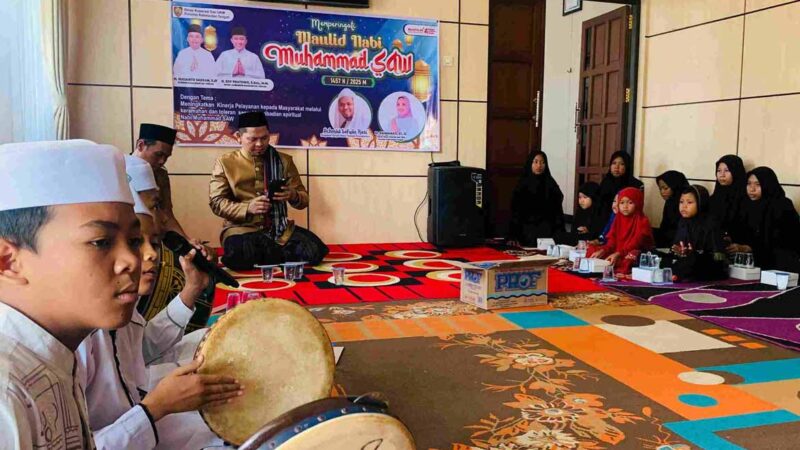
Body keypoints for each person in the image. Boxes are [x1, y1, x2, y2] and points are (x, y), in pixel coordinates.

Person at [77, 164, 238, 449]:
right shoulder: (73, 335)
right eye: (104, 242)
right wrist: (155, 408)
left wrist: (191, 290)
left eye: (144, 242)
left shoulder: (120, 297)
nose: (149, 255)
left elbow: (141, 350)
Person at [0, 140, 138, 448]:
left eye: (134, 239)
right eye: (101, 241)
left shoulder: (56, 356)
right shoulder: (5, 396)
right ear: (9, 262)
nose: (132, 260)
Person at [210, 111, 328, 270]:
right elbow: (216, 203)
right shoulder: (225, 163)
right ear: (238, 137)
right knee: (240, 252)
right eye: (252, 139)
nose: (259, 144)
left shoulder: (283, 161)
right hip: (241, 229)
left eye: (264, 138)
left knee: (315, 250)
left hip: (280, 230)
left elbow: (304, 199)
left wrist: (292, 195)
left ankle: (267, 254)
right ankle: (274, 255)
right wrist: (247, 208)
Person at [131, 132, 213, 334]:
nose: (162, 161)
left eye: (166, 157)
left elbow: (166, 216)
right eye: (159, 155)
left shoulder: (161, 175)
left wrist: (188, 241)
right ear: (141, 145)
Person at [727, 167, 800, 273]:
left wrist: (749, 248)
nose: (752, 189)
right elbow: (739, 231)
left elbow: (784, 241)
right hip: (748, 266)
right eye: (749, 184)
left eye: (758, 184)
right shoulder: (743, 204)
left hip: (778, 267)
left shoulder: (782, 205)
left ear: (768, 184)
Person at [660, 185, 728, 281]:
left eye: (689, 202)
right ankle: (677, 273)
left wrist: (692, 253)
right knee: (656, 256)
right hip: (686, 261)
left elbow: (717, 257)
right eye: (681, 202)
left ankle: (677, 274)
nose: (684, 206)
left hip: (707, 264)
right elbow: (678, 249)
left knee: (693, 261)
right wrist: (680, 252)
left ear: (701, 203)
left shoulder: (711, 223)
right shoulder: (683, 222)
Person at [588, 187, 655, 274]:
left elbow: (636, 244)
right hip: (618, 252)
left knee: (631, 257)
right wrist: (603, 250)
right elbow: (611, 240)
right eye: (622, 203)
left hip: (635, 252)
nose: (625, 206)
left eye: (630, 202)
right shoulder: (617, 219)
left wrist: (618, 253)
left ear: (638, 203)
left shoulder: (643, 221)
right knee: (593, 250)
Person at [507, 151, 565, 247]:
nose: (539, 165)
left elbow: (557, 210)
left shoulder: (550, 183)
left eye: (542, 162)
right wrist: (513, 235)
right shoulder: (522, 184)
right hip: (526, 229)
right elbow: (515, 212)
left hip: (547, 229)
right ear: (530, 163)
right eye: (536, 162)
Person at [709, 154, 748, 244]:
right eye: (719, 171)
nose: (722, 175)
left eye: (727, 170)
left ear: (736, 172)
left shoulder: (745, 199)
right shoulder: (713, 199)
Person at [598, 151, 644, 226]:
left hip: (626, 224)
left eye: (621, 164)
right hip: (604, 222)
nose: (616, 167)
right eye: (614, 163)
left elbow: (637, 210)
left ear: (627, 166)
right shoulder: (605, 182)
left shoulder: (636, 185)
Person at [556, 181, 604, 246]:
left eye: (585, 197)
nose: (581, 200)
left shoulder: (600, 213)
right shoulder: (580, 211)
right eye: (580, 197)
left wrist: (588, 230)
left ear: (594, 197)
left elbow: (601, 235)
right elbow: (574, 231)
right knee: (558, 236)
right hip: (578, 239)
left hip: (592, 240)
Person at [654, 170, 689, 248]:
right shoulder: (669, 202)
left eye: (666, 188)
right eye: (660, 189)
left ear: (675, 186)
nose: (662, 192)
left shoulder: (686, 204)